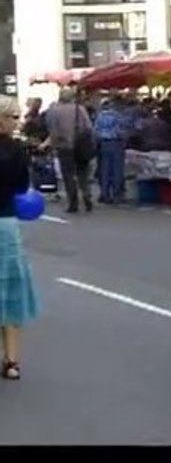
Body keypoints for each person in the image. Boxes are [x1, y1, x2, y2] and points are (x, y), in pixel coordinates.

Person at [0, 96, 40, 380]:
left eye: (17, 116)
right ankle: (12, 361)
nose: (17, 121)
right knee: (11, 294)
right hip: (6, 224)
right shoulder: (16, 151)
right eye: (12, 117)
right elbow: (22, 186)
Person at [41, 87, 95, 213]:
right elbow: (88, 127)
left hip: (64, 147)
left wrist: (53, 144)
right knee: (83, 173)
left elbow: (52, 131)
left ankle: (73, 202)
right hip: (81, 146)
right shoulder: (79, 109)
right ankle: (87, 197)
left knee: (68, 175)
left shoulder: (54, 112)